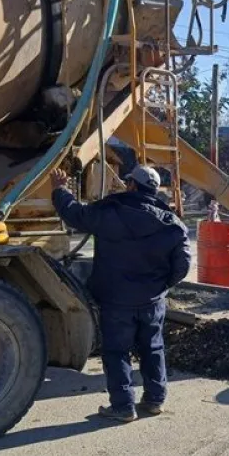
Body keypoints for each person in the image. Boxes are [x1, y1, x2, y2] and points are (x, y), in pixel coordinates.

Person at [51, 166, 191, 423]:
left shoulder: (110, 212)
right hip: (152, 301)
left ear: (132, 186)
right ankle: (155, 400)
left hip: (116, 301)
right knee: (153, 348)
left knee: (117, 352)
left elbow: (75, 214)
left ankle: (124, 407)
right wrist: (159, 286)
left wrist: (60, 189)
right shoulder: (173, 224)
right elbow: (183, 265)